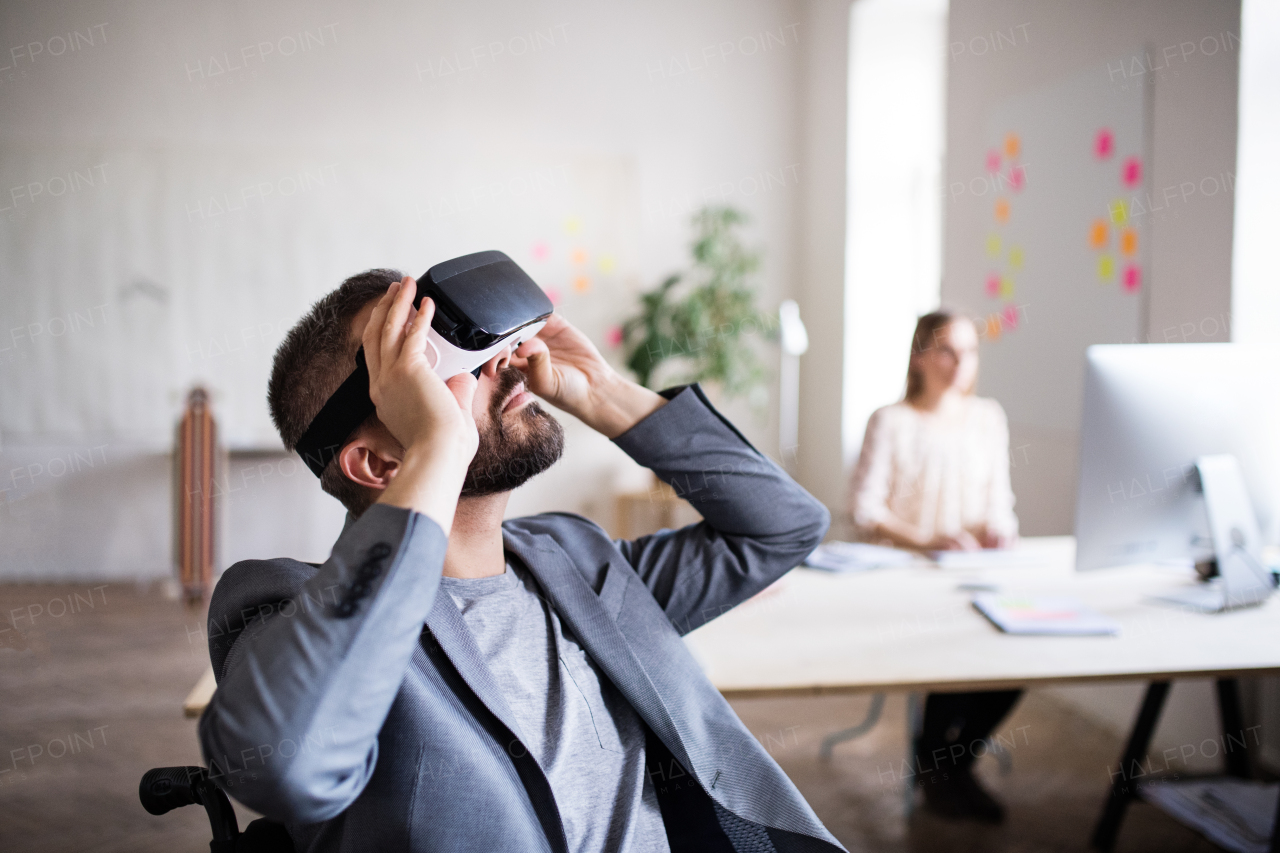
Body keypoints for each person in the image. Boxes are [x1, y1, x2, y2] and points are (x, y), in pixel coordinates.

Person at [198, 269, 845, 853]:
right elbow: (290, 765)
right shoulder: (284, 605)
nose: (499, 364)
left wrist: (606, 393)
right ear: (376, 462)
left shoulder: (573, 560)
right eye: (424, 363)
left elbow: (781, 528)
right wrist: (437, 449)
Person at [846, 310, 1020, 823]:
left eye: (969, 351)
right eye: (947, 350)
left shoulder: (988, 418)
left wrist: (998, 530)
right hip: (908, 579)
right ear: (920, 355)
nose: (961, 362)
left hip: (973, 573)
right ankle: (944, 772)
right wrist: (926, 541)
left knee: (1016, 653)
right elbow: (864, 510)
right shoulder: (891, 420)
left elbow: (1000, 502)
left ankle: (949, 764)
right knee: (954, 646)